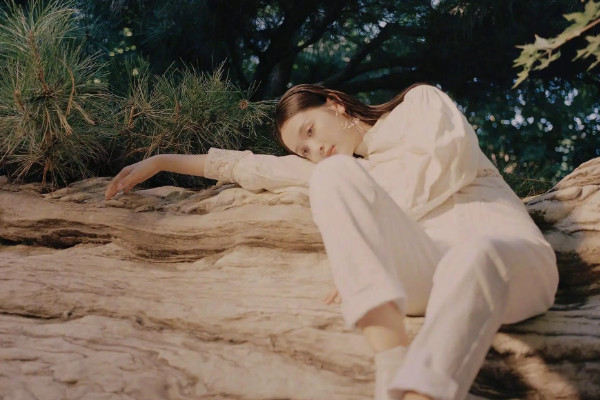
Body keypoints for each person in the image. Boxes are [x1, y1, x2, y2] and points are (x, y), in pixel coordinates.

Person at [105, 83, 559, 400]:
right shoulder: (348, 170)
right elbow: (249, 166)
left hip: (507, 259)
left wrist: (365, 237)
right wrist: (161, 161)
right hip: (426, 273)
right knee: (333, 176)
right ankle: (391, 361)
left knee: (474, 256)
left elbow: (443, 163)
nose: (314, 150)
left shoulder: (419, 105)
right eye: (302, 151)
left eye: (310, 131)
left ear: (336, 104)